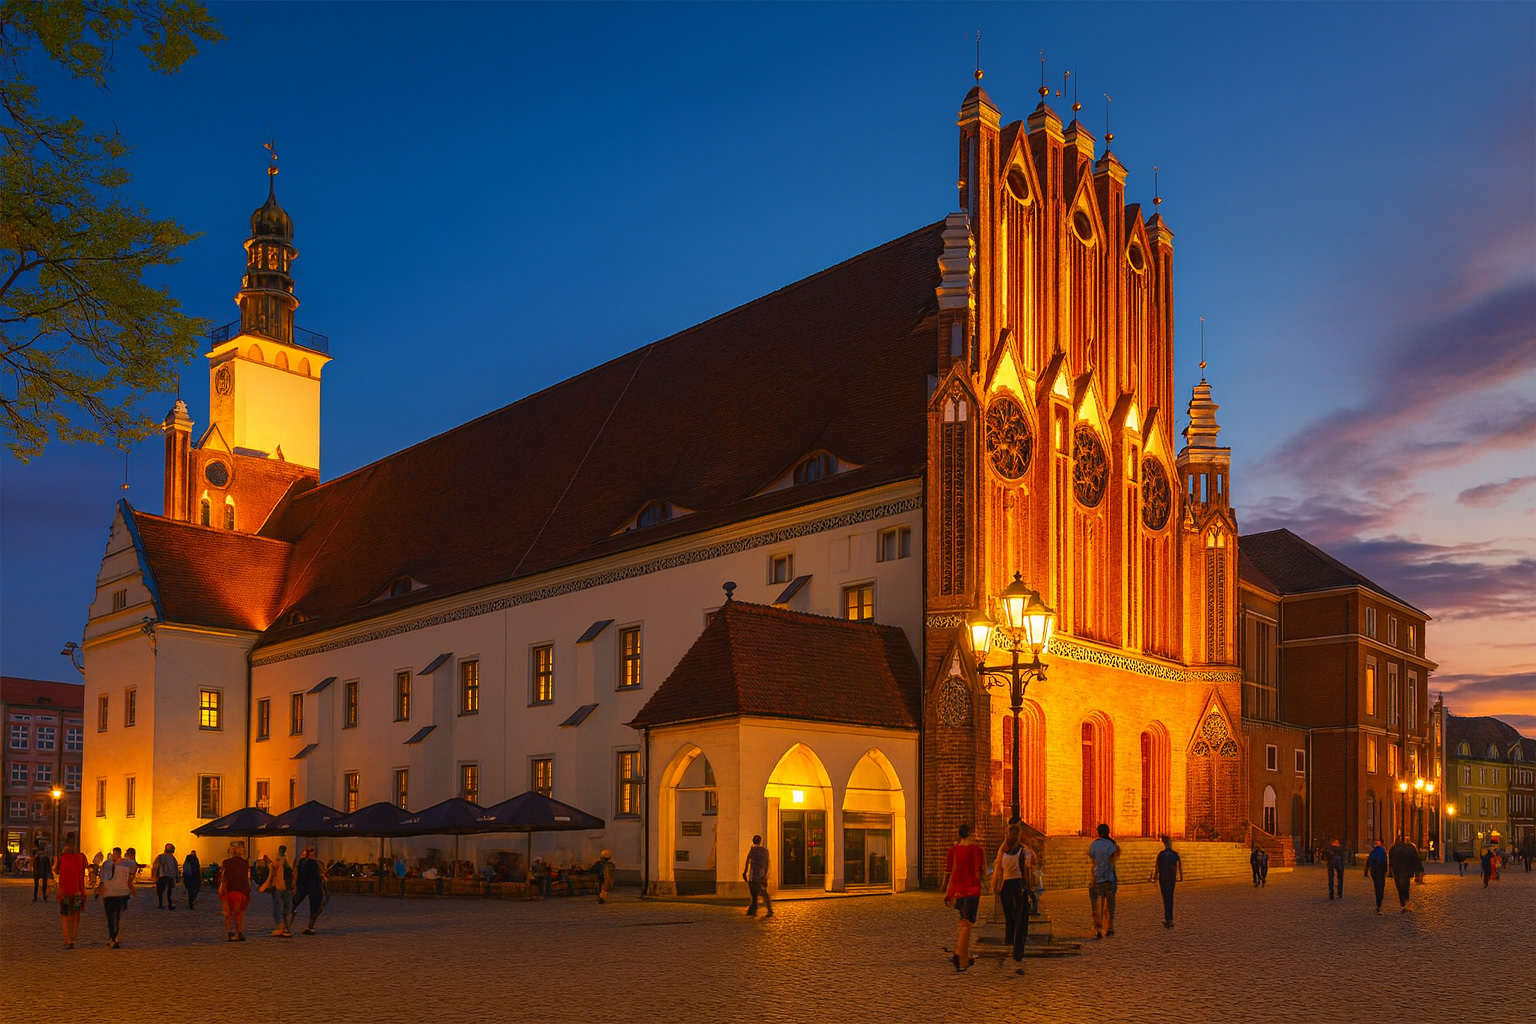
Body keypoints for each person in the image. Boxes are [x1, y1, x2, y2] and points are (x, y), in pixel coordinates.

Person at [940, 823, 984, 972]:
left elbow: (950, 871)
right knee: (967, 924)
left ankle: (962, 954)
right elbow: (981, 870)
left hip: (958, 890)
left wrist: (948, 891)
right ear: (971, 834)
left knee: (962, 922)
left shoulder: (953, 851)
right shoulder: (976, 850)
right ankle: (961, 957)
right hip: (972, 889)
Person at [992, 824, 1032, 971]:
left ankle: (1008, 942)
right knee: (1021, 920)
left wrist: (995, 885)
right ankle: (1018, 951)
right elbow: (1031, 861)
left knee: (1010, 919)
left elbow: (997, 870)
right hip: (1019, 887)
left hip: (1005, 887)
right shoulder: (1023, 852)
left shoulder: (1003, 852)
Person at [97, 847, 135, 948]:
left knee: (116, 915)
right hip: (110, 894)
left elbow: (130, 877)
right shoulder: (107, 864)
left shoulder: (127, 864)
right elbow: (103, 878)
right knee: (111, 916)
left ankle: (113, 937)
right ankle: (113, 937)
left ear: (119, 854)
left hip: (120, 893)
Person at [1086, 823, 1120, 940]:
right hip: (1109, 878)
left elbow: (1092, 860)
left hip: (1097, 877)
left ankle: (1098, 929)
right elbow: (1113, 862)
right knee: (1110, 905)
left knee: (1096, 905)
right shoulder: (1112, 845)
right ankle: (1110, 927)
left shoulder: (1094, 845)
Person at [54, 839, 87, 948]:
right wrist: (83, 893)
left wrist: (54, 864)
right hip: (76, 892)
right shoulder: (78, 860)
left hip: (64, 892)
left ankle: (67, 939)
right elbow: (80, 879)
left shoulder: (62, 860)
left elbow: (56, 872)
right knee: (75, 915)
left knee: (64, 916)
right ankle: (74, 937)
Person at [218, 842, 251, 942]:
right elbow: (248, 877)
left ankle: (229, 932)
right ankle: (239, 932)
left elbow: (223, 877)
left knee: (228, 914)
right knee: (239, 913)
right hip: (241, 891)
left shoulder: (226, 862)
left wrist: (221, 888)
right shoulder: (245, 863)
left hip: (228, 891)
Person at [1149, 834, 1183, 928]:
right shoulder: (1174, 854)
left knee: (1166, 898)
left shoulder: (1161, 854)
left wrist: (1154, 878)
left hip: (1163, 878)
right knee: (1170, 897)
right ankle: (1170, 919)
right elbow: (1179, 865)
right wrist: (1181, 876)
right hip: (1171, 878)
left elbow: (1157, 868)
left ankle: (1168, 919)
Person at [293, 845, 327, 935]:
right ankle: (286, 925)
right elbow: (297, 873)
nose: (310, 853)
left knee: (315, 906)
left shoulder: (316, 862)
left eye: (311, 851)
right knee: (293, 903)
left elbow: (322, 874)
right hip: (304, 885)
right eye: (308, 851)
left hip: (314, 886)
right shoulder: (302, 862)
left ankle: (311, 926)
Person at [742, 834, 773, 917]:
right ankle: (768, 909)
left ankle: (754, 910)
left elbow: (747, 861)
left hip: (753, 874)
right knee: (763, 892)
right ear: (760, 841)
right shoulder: (765, 850)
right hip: (761, 874)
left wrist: (745, 872)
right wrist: (766, 874)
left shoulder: (752, 850)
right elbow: (767, 863)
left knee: (754, 893)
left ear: (753, 841)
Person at [1387, 835, 1418, 912]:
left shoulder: (1393, 849)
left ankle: (1402, 902)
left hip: (1397, 869)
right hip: (1405, 869)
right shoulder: (1410, 848)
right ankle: (1406, 900)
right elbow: (1415, 860)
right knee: (1406, 885)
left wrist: (1390, 871)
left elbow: (1390, 862)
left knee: (1399, 885)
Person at [1364, 839, 1388, 914]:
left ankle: (1378, 902)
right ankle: (1379, 900)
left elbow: (1368, 861)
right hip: (1381, 871)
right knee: (1381, 886)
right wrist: (1386, 871)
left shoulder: (1373, 852)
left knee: (1377, 886)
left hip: (1374, 871)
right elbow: (1385, 862)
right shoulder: (1382, 851)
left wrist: (1366, 871)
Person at [153, 843, 179, 910]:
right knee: (161, 891)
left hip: (170, 877)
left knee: (169, 892)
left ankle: (168, 904)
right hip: (163, 876)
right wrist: (155, 876)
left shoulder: (172, 858)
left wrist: (176, 876)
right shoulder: (161, 857)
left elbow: (175, 867)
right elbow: (156, 867)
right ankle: (162, 904)